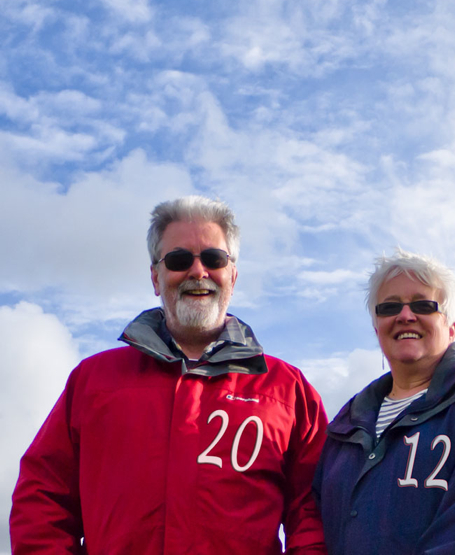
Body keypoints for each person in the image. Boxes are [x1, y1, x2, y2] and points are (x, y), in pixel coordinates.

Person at [11, 196, 328, 555]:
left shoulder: (287, 390)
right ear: (155, 276)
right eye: (179, 260)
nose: (198, 272)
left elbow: (313, 513)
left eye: (213, 259)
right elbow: (42, 498)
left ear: (233, 275)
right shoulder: (93, 381)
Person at [313, 249, 455, 555]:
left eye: (423, 305)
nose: (405, 315)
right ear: (376, 327)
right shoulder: (345, 429)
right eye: (389, 307)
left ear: (452, 327)